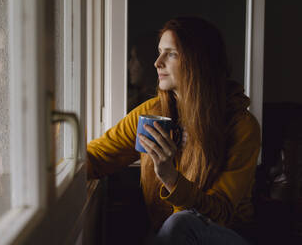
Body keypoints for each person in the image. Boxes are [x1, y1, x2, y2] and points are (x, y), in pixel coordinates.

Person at [87, 17, 261, 244]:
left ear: (198, 61)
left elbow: (221, 214)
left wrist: (169, 177)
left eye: (170, 54)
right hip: (168, 237)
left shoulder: (241, 126)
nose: (157, 62)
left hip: (223, 235)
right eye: (160, 52)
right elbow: (96, 158)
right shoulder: (150, 117)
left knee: (181, 223)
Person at [128, 33, 159, 112]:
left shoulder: (155, 102)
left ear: (145, 61)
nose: (129, 65)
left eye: (134, 58)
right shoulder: (133, 98)